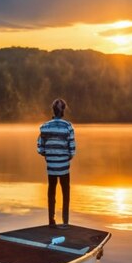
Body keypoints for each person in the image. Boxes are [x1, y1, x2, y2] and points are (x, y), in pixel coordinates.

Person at [37, 98, 76, 229]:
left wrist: (49, 155)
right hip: (64, 166)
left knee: (51, 191)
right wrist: (64, 158)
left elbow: (40, 148)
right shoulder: (68, 127)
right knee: (66, 192)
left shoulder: (44, 127)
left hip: (51, 166)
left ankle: (51, 220)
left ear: (53, 110)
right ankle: (65, 221)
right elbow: (72, 150)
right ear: (63, 110)